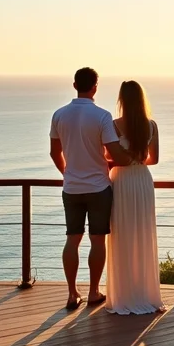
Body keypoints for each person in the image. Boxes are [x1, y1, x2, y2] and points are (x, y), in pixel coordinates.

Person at [50, 67, 131, 310]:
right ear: (95, 86)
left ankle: (72, 293)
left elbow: (55, 152)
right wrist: (130, 159)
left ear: (74, 85)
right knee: (97, 240)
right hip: (98, 187)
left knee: (72, 239)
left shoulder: (59, 115)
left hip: (71, 188)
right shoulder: (102, 116)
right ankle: (94, 291)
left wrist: (67, 173)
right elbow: (114, 152)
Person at [106, 80, 165, 314]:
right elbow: (154, 159)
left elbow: (107, 157)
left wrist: (124, 160)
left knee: (122, 235)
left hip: (121, 180)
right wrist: (137, 160)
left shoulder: (114, 125)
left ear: (122, 100)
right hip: (142, 180)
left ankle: (124, 294)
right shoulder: (151, 125)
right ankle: (144, 292)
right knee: (143, 232)